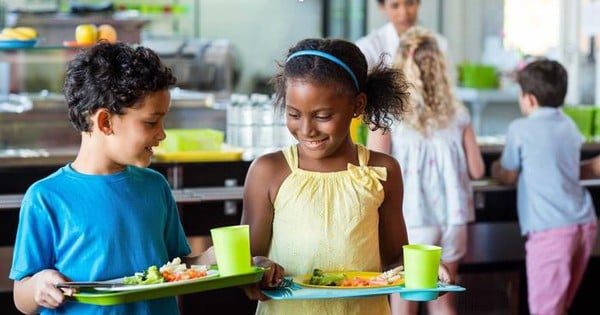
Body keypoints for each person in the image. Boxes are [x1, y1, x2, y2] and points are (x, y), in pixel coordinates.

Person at [8, 42, 277, 315]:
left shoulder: (154, 186)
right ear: (105, 122)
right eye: (151, 123)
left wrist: (236, 261)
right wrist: (39, 285)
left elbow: (177, 265)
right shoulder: (47, 197)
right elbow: (22, 295)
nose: (162, 134)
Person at [239, 37, 454, 315]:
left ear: (357, 105)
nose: (306, 129)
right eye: (294, 114)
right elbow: (245, 261)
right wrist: (258, 267)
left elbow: (392, 260)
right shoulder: (268, 171)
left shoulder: (383, 171)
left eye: (322, 115)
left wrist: (423, 267)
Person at [367, 26, 484, 315]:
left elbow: (374, 168)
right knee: (443, 301)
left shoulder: (391, 115)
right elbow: (478, 169)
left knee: (404, 301)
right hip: (453, 220)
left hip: (412, 219)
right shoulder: (458, 114)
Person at [491, 59, 598, 315]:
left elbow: (508, 175)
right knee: (559, 305)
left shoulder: (520, 128)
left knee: (545, 309)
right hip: (584, 225)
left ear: (529, 99)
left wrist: (494, 168)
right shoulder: (569, 125)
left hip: (551, 234)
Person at [355, 0, 449, 71]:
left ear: (418, 3)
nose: (404, 13)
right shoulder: (368, 47)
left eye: (410, 3)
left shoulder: (439, 44)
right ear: (383, 7)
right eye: (395, 6)